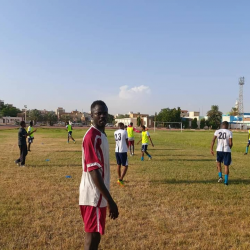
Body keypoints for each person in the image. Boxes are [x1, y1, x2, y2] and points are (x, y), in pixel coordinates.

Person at [79, 100, 119, 250]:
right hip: (93, 195)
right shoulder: (91, 136)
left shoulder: (101, 134)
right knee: (93, 236)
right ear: (92, 115)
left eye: (104, 113)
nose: (102, 116)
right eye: (98, 113)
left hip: (99, 194)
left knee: (96, 235)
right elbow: (93, 170)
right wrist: (110, 200)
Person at [211, 121, 233, 186]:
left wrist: (211, 149)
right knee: (226, 166)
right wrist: (230, 148)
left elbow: (213, 140)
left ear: (222, 125)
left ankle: (220, 177)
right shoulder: (229, 132)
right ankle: (226, 182)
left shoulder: (217, 131)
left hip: (219, 150)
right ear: (227, 126)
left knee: (218, 163)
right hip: (227, 150)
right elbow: (231, 143)